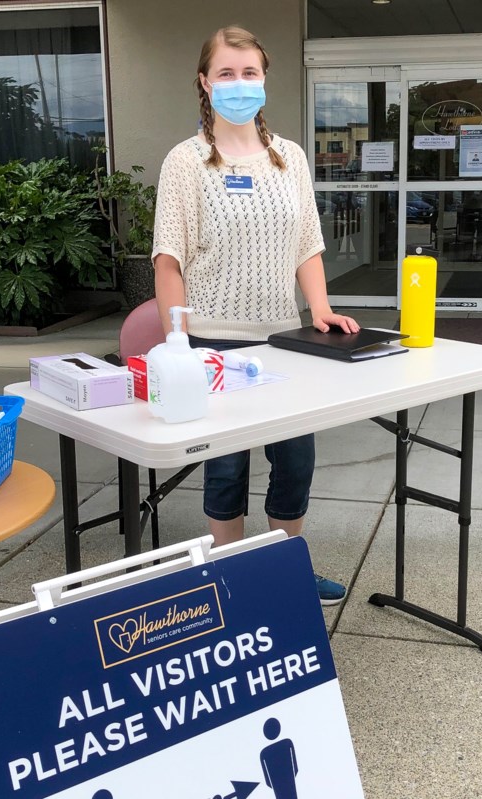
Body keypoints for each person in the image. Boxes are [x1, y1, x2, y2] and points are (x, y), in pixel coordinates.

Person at [150, 25, 358, 605]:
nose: (238, 84)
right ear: (204, 82)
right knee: (227, 468)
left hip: (284, 342)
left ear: (264, 80)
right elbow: (169, 260)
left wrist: (321, 309)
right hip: (212, 343)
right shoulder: (187, 162)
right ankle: (231, 576)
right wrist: (176, 339)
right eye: (226, 73)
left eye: (249, 73)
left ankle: (284, 564)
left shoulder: (288, 157)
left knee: (296, 458)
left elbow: (307, 245)